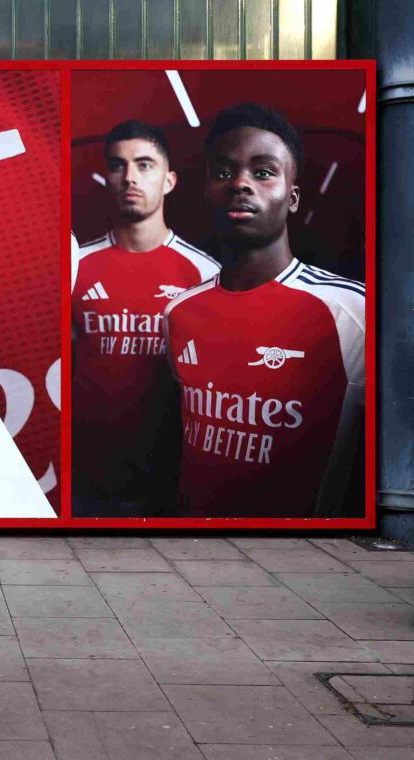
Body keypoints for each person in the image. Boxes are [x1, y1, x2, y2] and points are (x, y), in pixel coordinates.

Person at [164, 103, 365, 518]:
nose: (240, 183)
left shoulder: (352, 312)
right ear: (206, 191)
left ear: (292, 197)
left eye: (263, 172)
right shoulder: (179, 312)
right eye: (223, 173)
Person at [72, 121, 219, 516]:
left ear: (169, 180)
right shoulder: (75, 266)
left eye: (144, 165)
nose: (130, 177)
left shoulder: (204, 274)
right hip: (84, 486)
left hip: (169, 486)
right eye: (118, 166)